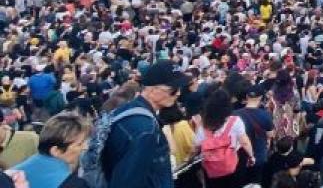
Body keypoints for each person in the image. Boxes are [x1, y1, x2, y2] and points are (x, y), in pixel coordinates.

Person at [101, 60, 189, 188]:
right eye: (173, 89)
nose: (178, 93)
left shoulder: (127, 110)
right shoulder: (145, 129)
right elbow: (127, 182)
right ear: (153, 90)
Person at [194, 87, 255, 188]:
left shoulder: (204, 125)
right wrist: (251, 156)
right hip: (233, 162)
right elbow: (245, 142)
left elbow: (197, 145)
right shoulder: (235, 121)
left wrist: (191, 156)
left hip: (211, 165)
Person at [12, 112, 91, 188]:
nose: (85, 147)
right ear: (55, 151)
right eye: (79, 144)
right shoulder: (74, 185)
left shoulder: (11, 175)